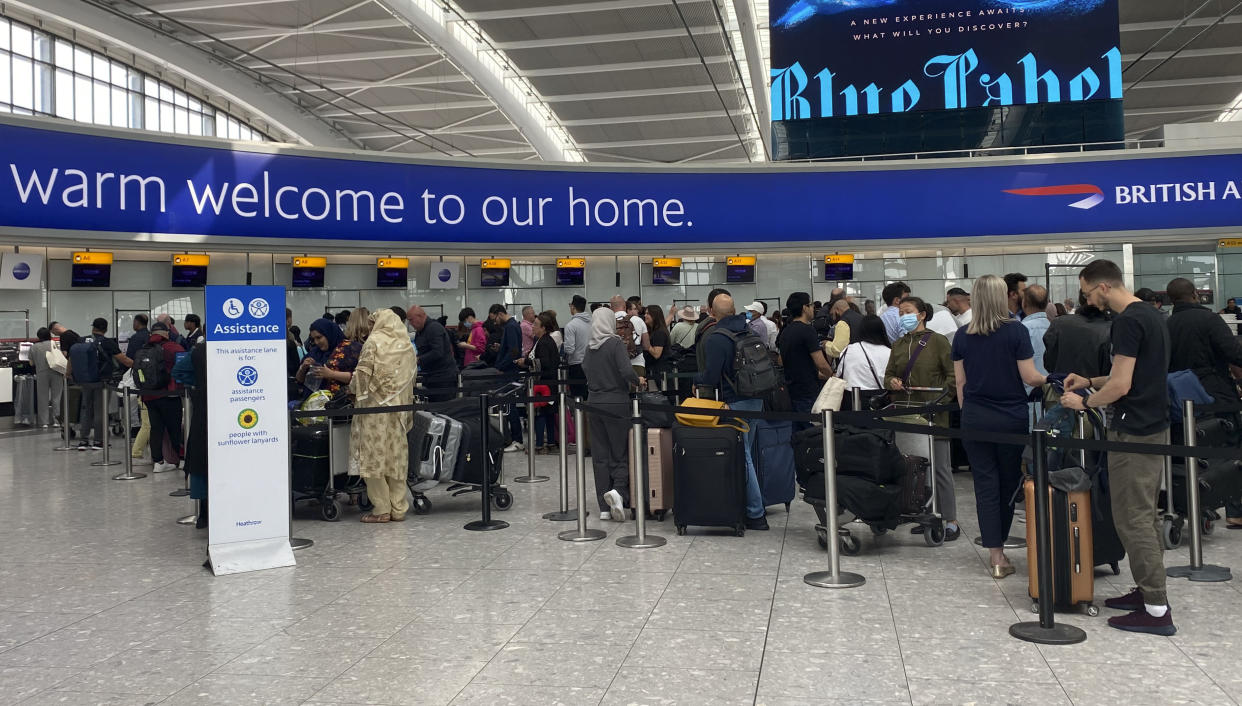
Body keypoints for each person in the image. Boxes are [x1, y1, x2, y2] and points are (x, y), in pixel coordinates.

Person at [1060, 259, 1175, 636]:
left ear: (1104, 286)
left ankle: (1156, 608)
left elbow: (1122, 385)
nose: (1089, 300)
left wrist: (1086, 402)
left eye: (1089, 292)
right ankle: (1146, 592)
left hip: (1134, 431)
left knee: (1133, 517)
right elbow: (1130, 373)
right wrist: (1090, 380)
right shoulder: (1150, 314)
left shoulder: (1126, 321)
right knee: (1144, 512)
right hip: (1153, 425)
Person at [951, 275, 1047, 577]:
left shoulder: (963, 335)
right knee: (1008, 482)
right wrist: (1053, 379)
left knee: (984, 485)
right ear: (1003, 297)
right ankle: (1001, 550)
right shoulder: (1015, 331)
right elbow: (1030, 377)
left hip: (975, 418)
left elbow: (960, 382)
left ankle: (995, 554)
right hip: (1010, 417)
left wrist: (970, 413)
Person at [1165, 277, 1242, 527]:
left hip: (1179, 398)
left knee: (1192, 454)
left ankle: (1198, 504)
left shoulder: (1166, 324)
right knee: (1231, 451)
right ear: (1196, 294)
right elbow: (1232, 353)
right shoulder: (1209, 319)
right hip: (1215, 395)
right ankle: (1235, 510)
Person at [885, 296, 959, 542]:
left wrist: (940, 403)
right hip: (904, 415)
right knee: (914, 467)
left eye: (908, 311)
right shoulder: (898, 344)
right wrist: (892, 382)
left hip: (932, 416)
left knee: (940, 468)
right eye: (900, 312)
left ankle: (950, 519)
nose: (903, 315)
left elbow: (952, 376)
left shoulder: (937, 342)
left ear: (922, 314)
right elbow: (889, 375)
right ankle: (926, 512)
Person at [696, 294, 769, 531]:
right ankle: (753, 503)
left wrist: (698, 379)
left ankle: (756, 514)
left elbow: (710, 376)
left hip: (734, 402)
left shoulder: (718, 338)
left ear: (711, 312)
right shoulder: (750, 332)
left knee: (743, 456)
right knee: (749, 453)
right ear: (735, 309)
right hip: (756, 399)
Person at [350, 309, 416, 523]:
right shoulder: (406, 345)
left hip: (373, 410)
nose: (370, 328)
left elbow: (362, 374)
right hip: (398, 410)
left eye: (372, 323)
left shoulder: (374, 341)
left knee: (374, 458)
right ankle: (399, 508)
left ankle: (381, 508)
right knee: (396, 458)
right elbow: (411, 378)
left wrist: (351, 390)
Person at [582, 307, 640, 521]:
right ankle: (618, 492)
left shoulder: (590, 347)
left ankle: (603, 507)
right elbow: (626, 370)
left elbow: (585, 369)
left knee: (600, 455)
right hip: (616, 402)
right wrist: (637, 380)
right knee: (620, 451)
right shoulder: (614, 343)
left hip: (593, 403)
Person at [777, 292, 833, 431]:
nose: (813, 308)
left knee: (798, 436)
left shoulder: (785, 331)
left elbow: (781, 361)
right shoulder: (808, 331)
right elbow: (820, 362)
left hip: (791, 391)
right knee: (814, 433)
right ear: (804, 307)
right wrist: (832, 376)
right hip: (808, 391)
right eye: (811, 304)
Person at [67, 318, 125, 450]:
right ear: (105, 329)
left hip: (85, 381)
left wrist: (68, 373)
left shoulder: (82, 340)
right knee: (100, 411)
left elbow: (71, 358)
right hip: (101, 382)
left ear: (93, 327)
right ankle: (99, 441)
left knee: (86, 409)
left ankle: (84, 441)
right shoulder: (107, 342)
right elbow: (123, 359)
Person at [138, 321, 186, 473]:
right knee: (175, 428)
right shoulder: (174, 347)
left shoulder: (144, 349)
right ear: (166, 333)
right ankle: (182, 460)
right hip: (170, 394)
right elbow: (183, 370)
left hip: (150, 395)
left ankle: (158, 462)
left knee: (156, 428)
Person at [1043, 292, 1112, 381]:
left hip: (1062, 388)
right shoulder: (1112, 329)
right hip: (1097, 390)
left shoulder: (1059, 323)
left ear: (1081, 299)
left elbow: (1048, 363)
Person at [835, 314, 891, 409]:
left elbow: (840, 373)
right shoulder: (889, 352)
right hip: (879, 400)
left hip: (850, 399)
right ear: (882, 330)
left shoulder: (849, 349)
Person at [525, 312, 561, 454]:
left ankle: (539, 444)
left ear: (544, 328)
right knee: (549, 414)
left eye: (536, 325)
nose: (533, 327)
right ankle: (551, 442)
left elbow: (544, 363)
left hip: (543, 384)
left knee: (540, 413)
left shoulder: (544, 343)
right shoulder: (544, 340)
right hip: (549, 382)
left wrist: (526, 361)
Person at [490, 304, 525, 451]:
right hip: (509, 369)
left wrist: (500, 367)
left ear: (499, 314)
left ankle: (517, 439)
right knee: (508, 406)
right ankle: (513, 438)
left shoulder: (510, 327)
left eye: (494, 319)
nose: (495, 323)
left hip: (508, 372)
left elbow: (514, 352)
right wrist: (501, 347)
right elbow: (511, 348)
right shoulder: (512, 326)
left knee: (510, 407)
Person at [407, 305, 458, 402]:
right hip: (431, 377)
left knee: (443, 410)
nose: (410, 323)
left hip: (443, 379)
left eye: (411, 320)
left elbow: (438, 352)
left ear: (420, 316)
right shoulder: (420, 331)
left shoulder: (434, 328)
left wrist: (418, 360)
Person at [184, 337, 209, 529]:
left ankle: (203, 514)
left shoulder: (198, 351)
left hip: (203, 412)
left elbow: (178, 371)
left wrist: (198, 385)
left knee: (202, 458)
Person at [296, 317, 351, 397]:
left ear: (329, 333)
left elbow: (357, 377)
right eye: (313, 339)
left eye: (319, 337)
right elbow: (299, 380)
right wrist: (303, 368)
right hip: (313, 403)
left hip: (339, 403)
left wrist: (331, 374)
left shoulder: (348, 350)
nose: (316, 342)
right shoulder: (314, 352)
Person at [31, 328, 64, 429]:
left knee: (42, 398)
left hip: (41, 373)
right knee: (57, 397)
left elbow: (31, 363)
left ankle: (44, 422)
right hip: (56, 372)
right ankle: (57, 421)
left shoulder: (34, 347)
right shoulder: (54, 343)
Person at [1021, 284, 1052, 385]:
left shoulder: (1021, 330)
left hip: (1027, 393)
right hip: (1051, 393)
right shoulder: (1055, 328)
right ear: (1046, 304)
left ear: (1024, 303)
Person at [562, 296, 592, 401]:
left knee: (578, 397)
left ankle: (580, 417)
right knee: (589, 395)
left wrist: (563, 347)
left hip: (577, 366)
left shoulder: (571, 325)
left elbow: (569, 349)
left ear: (573, 307)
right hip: (592, 363)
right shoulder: (592, 323)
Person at [643, 305, 671, 388]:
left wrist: (647, 345)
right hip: (657, 371)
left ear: (654, 316)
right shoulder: (656, 331)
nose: (645, 316)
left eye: (648, 313)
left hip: (659, 372)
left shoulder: (659, 333)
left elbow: (656, 354)